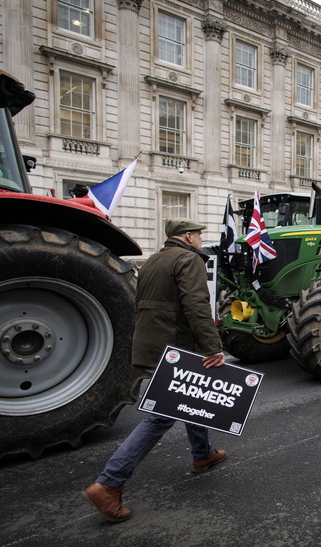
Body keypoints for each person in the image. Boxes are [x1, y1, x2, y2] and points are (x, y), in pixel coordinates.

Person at [82, 219, 227, 523]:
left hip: (153, 344)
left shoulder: (153, 260)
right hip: (175, 345)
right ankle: (109, 483)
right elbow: (197, 305)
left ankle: (203, 454)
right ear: (188, 236)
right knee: (164, 413)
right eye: (199, 235)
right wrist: (213, 347)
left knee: (190, 397)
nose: (201, 239)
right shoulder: (189, 259)